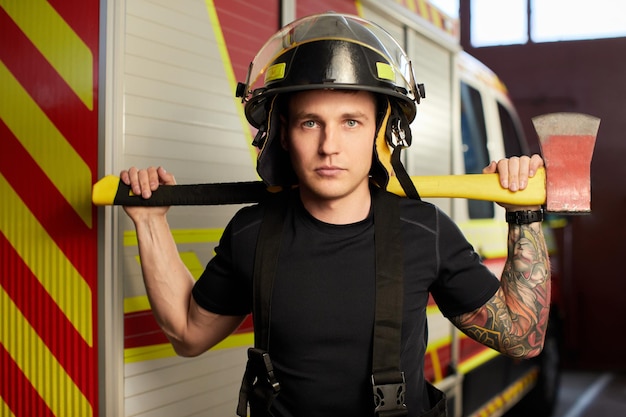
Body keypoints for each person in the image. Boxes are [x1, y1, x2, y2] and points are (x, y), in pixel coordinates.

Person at [120, 12, 550, 417]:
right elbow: (188, 333)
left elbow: (521, 338)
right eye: (310, 122)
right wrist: (150, 222)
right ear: (283, 135)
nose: (329, 146)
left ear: (381, 134)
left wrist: (525, 216)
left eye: (351, 122)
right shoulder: (251, 232)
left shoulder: (425, 230)